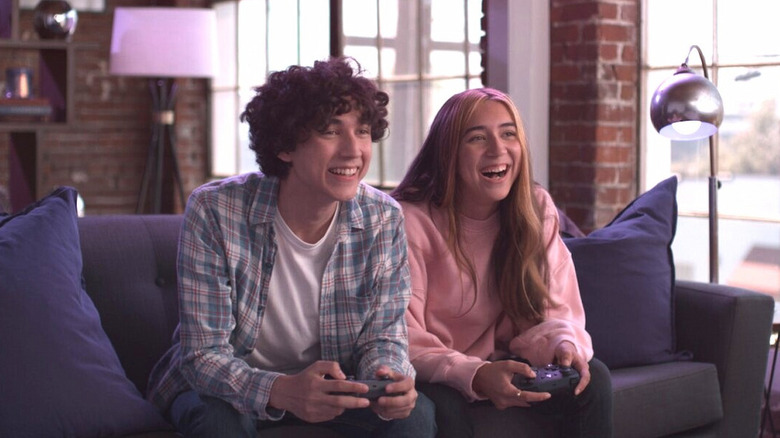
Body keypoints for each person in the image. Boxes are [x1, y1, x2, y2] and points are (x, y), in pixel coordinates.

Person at [146, 57, 436, 438]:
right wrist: (282, 390)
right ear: (285, 147)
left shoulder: (383, 217)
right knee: (218, 422)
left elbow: (383, 336)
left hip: (331, 388)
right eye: (331, 132)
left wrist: (389, 377)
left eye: (362, 131)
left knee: (414, 417)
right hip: (225, 389)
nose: (354, 151)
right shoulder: (215, 211)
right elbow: (203, 357)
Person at [391, 87, 612, 437]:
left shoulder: (536, 208)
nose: (498, 150)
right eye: (477, 138)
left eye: (508, 134)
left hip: (503, 361)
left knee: (591, 378)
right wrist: (474, 373)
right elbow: (403, 337)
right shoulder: (408, 220)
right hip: (434, 369)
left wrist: (563, 345)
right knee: (444, 407)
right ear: (447, 153)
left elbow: (558, 312)